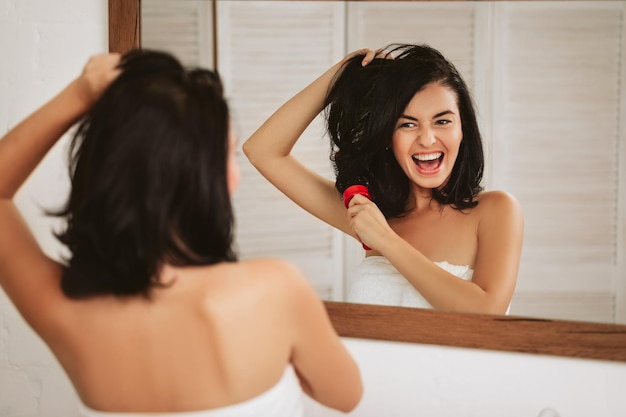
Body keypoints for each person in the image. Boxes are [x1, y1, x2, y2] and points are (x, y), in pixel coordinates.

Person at [0, 49, 362, 415]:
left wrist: (79, 94)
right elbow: (345, 396)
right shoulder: (274, 289)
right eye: (228, 155)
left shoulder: (65, 309)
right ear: (204, 177)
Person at [243, 44, 524, 314]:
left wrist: (385, 239)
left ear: (463, 129)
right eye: (407, 124)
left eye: (442, 121)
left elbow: (486, 311)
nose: (427, 139)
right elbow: (263, 151)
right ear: (389, 136)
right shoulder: (372, 213)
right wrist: (343, 76)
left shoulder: (496, 210)